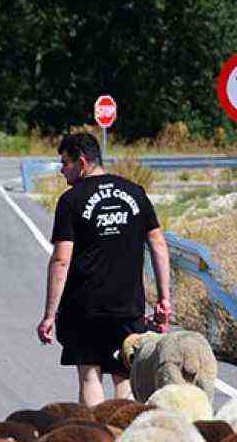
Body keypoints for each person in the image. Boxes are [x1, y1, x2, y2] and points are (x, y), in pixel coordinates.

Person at [37, 131, 172, 407]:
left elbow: (61, 260)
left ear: (82, 162)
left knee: (90, 376)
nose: (62, 170)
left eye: (65, 163)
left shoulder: (71, 200)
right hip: (128, 305)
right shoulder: (135, 192)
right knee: (125, 375)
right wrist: (164, 299)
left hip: (85, 309)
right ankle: (125, 436)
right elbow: (158, 243)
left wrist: (49, 315)